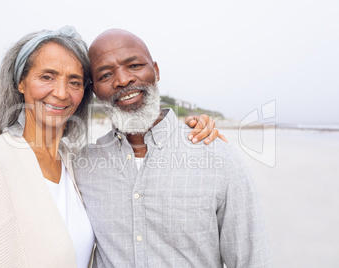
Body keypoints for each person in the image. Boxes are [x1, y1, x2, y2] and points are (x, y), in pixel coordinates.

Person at [0, 26, 221, 267]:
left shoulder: (77, 163)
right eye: (47, 77)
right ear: (21, 82)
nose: (62, 92)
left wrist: (186, 130)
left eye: (74, 82)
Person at [73, 29, 272, 267]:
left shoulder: (218, 157)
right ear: (95, 90)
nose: (123, 80)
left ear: (155, 71)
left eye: (134, 66)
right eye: (105, 75)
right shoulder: (82, 166)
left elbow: (252, 259)